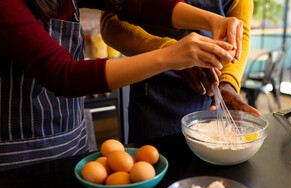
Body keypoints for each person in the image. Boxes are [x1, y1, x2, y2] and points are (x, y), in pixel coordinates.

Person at [0, 0, 243, 173]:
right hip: (10, 152)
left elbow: (138, 4)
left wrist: (213, 21)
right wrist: (171, 56)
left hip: (70, 138)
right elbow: (62, 74)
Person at [100, 0, 259, 143]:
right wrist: (170, 52)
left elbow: (240, 32)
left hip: (211, 94)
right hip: (154, 95)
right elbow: (112, 21)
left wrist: (228, 81)